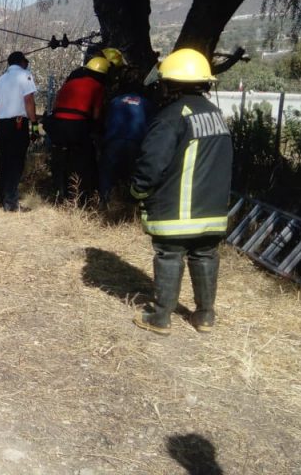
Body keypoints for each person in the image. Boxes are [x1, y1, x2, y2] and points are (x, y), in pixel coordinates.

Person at [131, 48, 233, 335]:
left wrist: (138, 190)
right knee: (205, 254)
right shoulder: (216, 115)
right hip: (212, 211)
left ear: (170, 83)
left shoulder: (172, 116)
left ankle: (160, 317)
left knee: (170, 254)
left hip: (176, 210)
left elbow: (152, 162)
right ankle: (205, 316)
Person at [46, 56, 109, 201]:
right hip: (77, 126)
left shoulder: (70, 82)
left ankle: (59, 193)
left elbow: (56, 105)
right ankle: (81, 195)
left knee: (59, 159)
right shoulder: (97, 86)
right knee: (83, 160)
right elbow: (96, 114)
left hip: (57, 125)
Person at [0, 51, 38, 212]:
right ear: (21, 62)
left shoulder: (1, 80)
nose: (27, 63)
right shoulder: (25, 76)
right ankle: (11, 203)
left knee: (4, 162)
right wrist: (34, 125)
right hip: (18, 124)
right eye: (26, 61)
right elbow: (29, 101)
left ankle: (2, 198)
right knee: (16, 163)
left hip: (2, 125)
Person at [98, 68, 151, 204]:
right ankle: (132, 204)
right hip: (136, 142)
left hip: (114, 141)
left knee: (107, 174)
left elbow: (106, 122)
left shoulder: (115, 101)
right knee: (133, 174)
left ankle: (105, 202)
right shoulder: (145, 103)